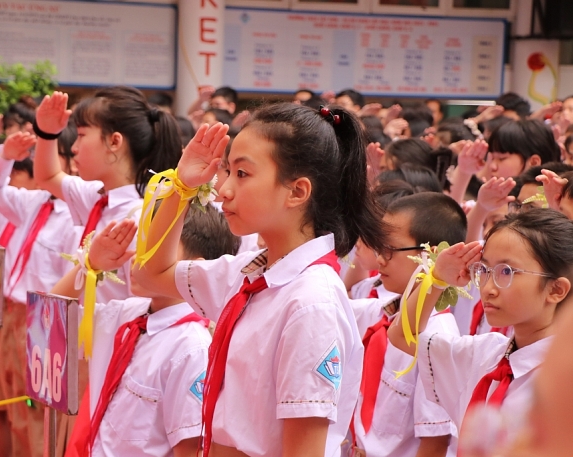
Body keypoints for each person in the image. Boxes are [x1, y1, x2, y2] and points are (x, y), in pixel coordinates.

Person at [133, 102, 386, 456]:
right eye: (228, 171)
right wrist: (181, 186)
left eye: (242, 174)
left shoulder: (311, 303)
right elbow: (150, 274)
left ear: (297, 192)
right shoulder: (250, 273)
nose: (223, 189)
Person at [54, 207, 239, 457]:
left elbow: (189, 449)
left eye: (155, 249)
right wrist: (89, 265)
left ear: (193, 270)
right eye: (140, 245)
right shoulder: (127, 314)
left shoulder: (191, 349)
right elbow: (49, 326)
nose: (137, 259)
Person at [388, 208, 573, 435]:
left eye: (506, 271)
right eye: (484, 269)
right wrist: (437, 279)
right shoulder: (484, 354)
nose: (487, 288)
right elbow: (401, 335)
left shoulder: (562, 382)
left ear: (556, 289)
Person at [0, 131, 81, 457]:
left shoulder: (76, 216)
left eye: (51, 154)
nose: (40, 162)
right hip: (10, 312)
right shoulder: (36, 201)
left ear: (70, 162)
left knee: (37, 416)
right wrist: (5, 156)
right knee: (13, 406)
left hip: (44, 320)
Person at [33, 88, 182, 304]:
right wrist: (47, 134)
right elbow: (48, 176)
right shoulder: (98, 197)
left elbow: (143, 302)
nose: (74, 148)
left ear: (114, 142)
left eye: (81, 135)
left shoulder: (142, 217)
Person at [349, 193, 464, 457]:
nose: (380, 259)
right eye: (379, 248)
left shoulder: (438, 338)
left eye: (390, 250)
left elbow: (434, 443)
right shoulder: (383, 312)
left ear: (432, 256)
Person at [487, 120, 560, 179]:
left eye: (501, 159)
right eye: (492, 158)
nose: (492, 166)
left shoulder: (544, 192)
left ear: (534, 163)